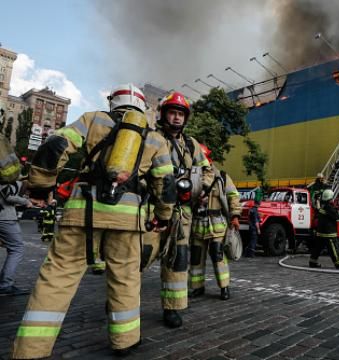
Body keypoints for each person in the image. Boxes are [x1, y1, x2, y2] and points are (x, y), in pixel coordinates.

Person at [12, 83, 176, 358]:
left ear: (113, 101)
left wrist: (41, 185)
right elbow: (167, 184)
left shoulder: (94, 119)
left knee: (57, 279)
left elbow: (55, 145)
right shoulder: (155, 139)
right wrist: (163, 216)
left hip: (82, 214)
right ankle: (126, 340)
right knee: (125, 279)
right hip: (127, 223)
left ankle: (31, 350)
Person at [139, 91, 214, 329]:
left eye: (181, 114)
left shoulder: (192, 144)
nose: (177, 118)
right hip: (152, 209)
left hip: (182, 214)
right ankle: (122, 302)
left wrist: (200, 189)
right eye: (172, 112)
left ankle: (172, 309)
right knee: (139, 257)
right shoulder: (149, 138)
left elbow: (208, 171)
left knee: (178, 261)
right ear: (163, 115)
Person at [189, 153, 241, 301]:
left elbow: (233, 195)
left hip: (216, 225)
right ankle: (197, 286)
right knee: (196, 258)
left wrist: (235, 216)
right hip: (197, 224)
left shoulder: (222, 177)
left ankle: (224, 287)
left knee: (218, 256)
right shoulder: (192, 175)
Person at [0, 180, 33, 296]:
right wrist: (25, 201)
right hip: (5, 218)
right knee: (16, 249)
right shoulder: (5, 179)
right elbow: (8, 196)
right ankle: (5, 285)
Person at [309, 189, 339, 269]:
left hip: (320, 232)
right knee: (333, 249)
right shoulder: (330, 208)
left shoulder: (321, 206)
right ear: (330, 198)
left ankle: (313, 262)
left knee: (317, 248)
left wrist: (317, 200)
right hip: (329, 233)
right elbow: (336, 216)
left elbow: (318, 210)